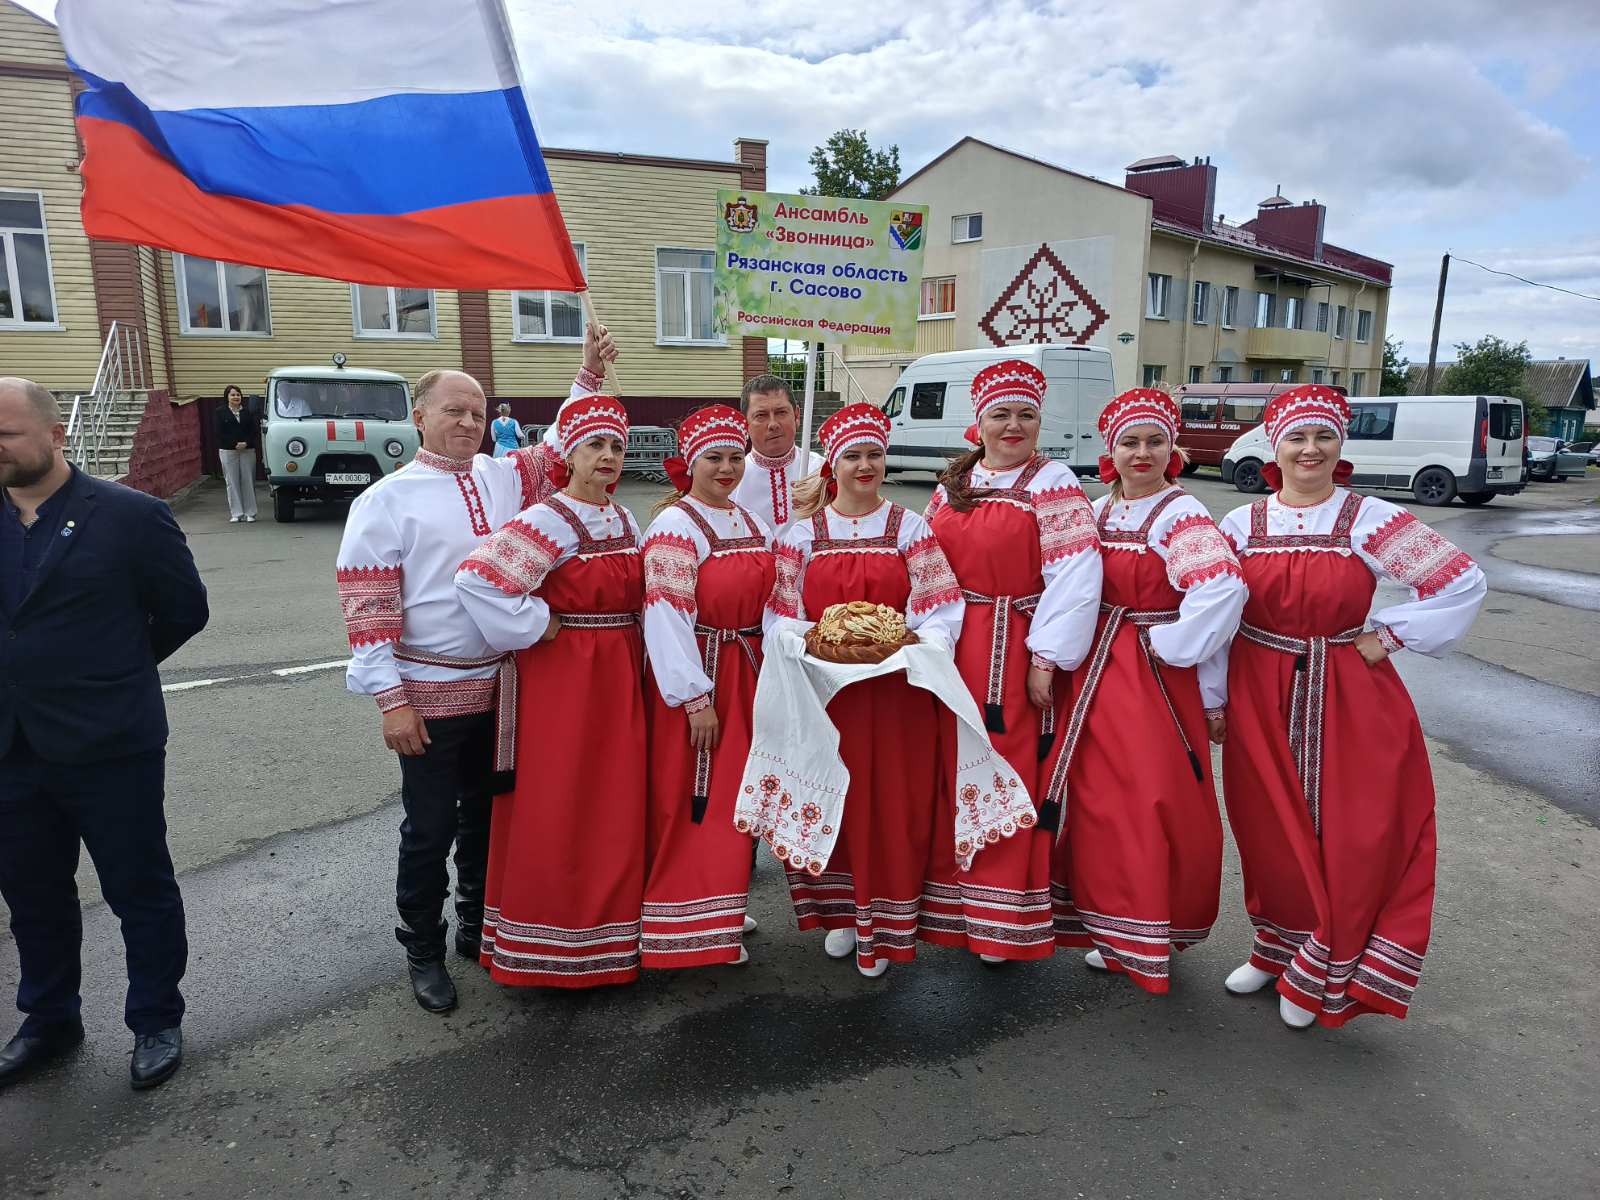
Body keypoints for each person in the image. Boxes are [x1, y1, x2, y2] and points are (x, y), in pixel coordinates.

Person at [334, 339, 611, 1013]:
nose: (467, 422)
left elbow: (562, 446)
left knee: (488, 817)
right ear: (419, 416)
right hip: (428, 694)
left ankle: (476, 923)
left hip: (507, 689)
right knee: (428, 829)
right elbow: (368, 612)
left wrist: (588, 374)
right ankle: (422, 949)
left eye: (477, 413)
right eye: (453, 410)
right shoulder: (384, 502)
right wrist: (390, 702)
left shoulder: (501, 475)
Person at [1214, 385, 1486, 1029]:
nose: (1310, 449)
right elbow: (1214, 613)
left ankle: (1323, 963)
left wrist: (1387, 635)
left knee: (1350, 829)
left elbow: (1460, 580)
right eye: (1296, 437)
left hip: (1345, 688)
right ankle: (1275, 946)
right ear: (1274, 447)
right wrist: (1213, 696)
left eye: (1323, 437)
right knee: (1264, 824)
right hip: (1258, 685)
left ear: (1340, 446)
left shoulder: (1366, 518)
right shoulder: (1240, 525)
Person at [0, 376, 208, 1092]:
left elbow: (184, 610)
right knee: (32, 896)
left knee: (138, 888)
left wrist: (116, 670)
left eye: (6, 434)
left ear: (56, 435)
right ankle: (49, 1020)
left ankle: (155, 1018)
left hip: (110, 743)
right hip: (11, 748)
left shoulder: (131, 516)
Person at [1043, 388, 1246, 993]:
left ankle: (1149, 928)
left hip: (1148, 677)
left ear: (1172, 449)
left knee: (1149, 800)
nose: (1142, 453)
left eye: (1155, 441)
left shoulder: (1179, 513)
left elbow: (1222, 587)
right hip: (1095, 671)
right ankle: (1113, 926)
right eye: (1129, 442)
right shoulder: (1098, 510)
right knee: (1097, 803)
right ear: (1110, 452)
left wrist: (1170, 644)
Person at [764, 403, 965, 977]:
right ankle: (844, 915)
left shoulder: (910, 527)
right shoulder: (802, 535)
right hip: (829, 694)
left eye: (874, 454)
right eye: (853, 455)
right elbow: (780, 615)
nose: (865, 465)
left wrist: (910, 646)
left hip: (897, 691)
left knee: (893, 802)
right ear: (833, 464)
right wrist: (817, 644)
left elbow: (941, 604)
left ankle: (887, 919)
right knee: (836, 794)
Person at [455, 395, 648, 988]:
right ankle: (552, 944)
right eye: (595, 446)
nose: (608, 457)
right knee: (564, 795)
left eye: (616, 447)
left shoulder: (625, 519)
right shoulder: (549, 518)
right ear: (570, 454)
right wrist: (540, 623)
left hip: (619, 673)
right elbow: (477, 580)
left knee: (614, 797)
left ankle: (610, 938)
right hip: (566, 679)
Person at [921, 360, 1102, 963]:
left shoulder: (1053, 482)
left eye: (1026, 414)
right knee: (950, 767)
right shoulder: (955, 480)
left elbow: (1077, 576)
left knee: (1008, 769)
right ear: (979, 422)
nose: (1013, 426)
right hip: (951, 639)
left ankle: (1000, 913)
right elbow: (924, 559)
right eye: (1001, 414)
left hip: (1012, 644)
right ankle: (954, 908)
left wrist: (1046, 657)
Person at [639, 406, 774, 969]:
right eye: (714, 458)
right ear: (689, 464)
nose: (726, 468)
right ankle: (691, 920)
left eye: (736, 457)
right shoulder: (676, 526)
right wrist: (695, 698)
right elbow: (665, 616)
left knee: (740, 793)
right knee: (698, 798)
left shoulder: (750, 519)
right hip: (704, 671)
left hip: (748, 668)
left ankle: (722, 905)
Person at [730, 374, 824, 539]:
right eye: (761, 415)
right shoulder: (731, 478)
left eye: (781, 412)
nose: (773, 424)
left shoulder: (821, 471)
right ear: (745, 424)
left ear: (797, 416)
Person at [215, 384, 259, 523]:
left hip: (247, 450)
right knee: (232, 481)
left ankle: (250, 513)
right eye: (232, 395)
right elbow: (219, 431)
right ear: (227, 397)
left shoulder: (247, 412)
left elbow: (254, 430)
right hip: (228, 451)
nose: (236, 397)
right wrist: (234, 443)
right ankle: (237, 513)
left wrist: (246, 443)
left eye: (238, 394)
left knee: (248, 480)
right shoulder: (220, 412)